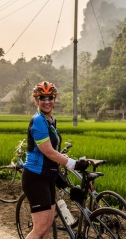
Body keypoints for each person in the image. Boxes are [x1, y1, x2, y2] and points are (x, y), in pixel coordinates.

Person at [22, 81, 89, 239]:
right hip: (35, 177)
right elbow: (49, 151)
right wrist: (72, 164)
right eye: (42, 98)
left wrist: (63, 173)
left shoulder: (51, 120)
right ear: (36, 100)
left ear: (54, 99)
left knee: (46, 226)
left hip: (48, 176)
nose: (47, 101)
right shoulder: (38, 120)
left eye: (50, 97)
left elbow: (56, 152)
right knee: (40, 228)